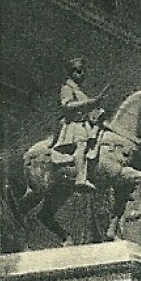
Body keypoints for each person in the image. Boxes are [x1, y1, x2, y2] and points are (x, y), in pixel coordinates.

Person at [54, 56, 105, 190]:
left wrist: (96, 109)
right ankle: (80, 177)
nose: (81, 74)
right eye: (77, 71)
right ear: (71, 73)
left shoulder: (79, 91)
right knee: (81, 145)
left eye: (82, 71)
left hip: (84, 124)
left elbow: (88, 110)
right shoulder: (67, 87)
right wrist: (89, 102)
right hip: (73, 124)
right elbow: (67, 105)